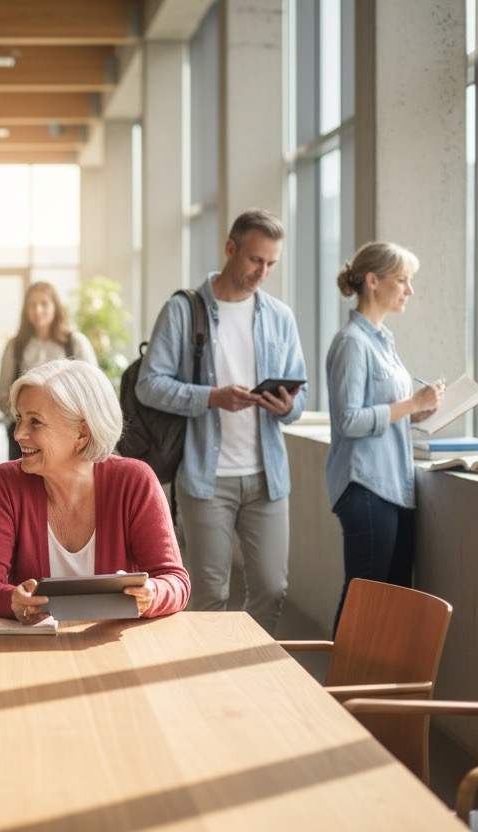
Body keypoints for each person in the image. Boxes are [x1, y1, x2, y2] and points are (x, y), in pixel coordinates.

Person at [135, 208, 306, 635]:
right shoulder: (182, 309)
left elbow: (301, 403)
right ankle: (204, 692)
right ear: (231, 249)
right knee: (209, 593)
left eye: (270, 264)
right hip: (205, 479)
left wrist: (285, 407)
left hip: (267, 477)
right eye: (254, 259)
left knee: (272, 588)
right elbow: (148, 385)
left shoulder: (280, 317)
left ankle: (248, 673)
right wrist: (211, 397)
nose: (262, 271)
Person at [0, 359, 190, 624]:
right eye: (20, 418)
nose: (18, 433)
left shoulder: (134, 481)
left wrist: (153, 594)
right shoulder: (4, 482)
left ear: (82, 432)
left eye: (35, 422)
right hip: (31, 651)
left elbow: (175, 581)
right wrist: (11, 599)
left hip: (114, 648)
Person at [325, 242, 444, 628]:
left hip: (392, 486)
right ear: (373, 281)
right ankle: (341, 686)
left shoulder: (382, 340)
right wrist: (409, 405)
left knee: (393, 598)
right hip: (366, 486)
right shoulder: (352, 343)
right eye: (402, 281)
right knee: (366, 597)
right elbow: (349, 420)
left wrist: (416, 410)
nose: (409, 290)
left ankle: (380, 687)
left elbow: (382, 412)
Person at [0, 281, 97, 460]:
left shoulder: (75, 343)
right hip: (22, 432)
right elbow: (2, 392)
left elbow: (93, 389)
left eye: (44, 303)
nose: (38, 310)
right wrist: (25, 416)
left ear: (55, 307)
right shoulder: (15, 346)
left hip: (65, 432)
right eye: (32, 305)